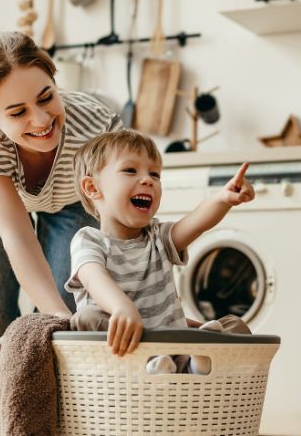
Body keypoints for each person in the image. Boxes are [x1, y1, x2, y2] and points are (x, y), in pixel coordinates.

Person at [0, 32, 122, 436]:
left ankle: (64, 424)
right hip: (2, 189)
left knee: (73, 302)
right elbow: (16, 236)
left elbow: (117, 219)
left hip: (74, 198)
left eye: (47, 97)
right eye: (18, 111)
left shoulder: (98, 125)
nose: (41, 120)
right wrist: (55, 317)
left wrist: (73, 315)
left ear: (54, 79)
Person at [65, 129, 255, 373]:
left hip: (174, 345)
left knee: (234, 326)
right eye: (130, 170)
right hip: (124, 353)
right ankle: (161, 365)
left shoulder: (158, 237)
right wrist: (122, 308)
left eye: (154, 174)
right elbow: (94, 279)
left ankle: (196, 364)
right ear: (93, 188)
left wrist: (223, 199)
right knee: (85, 319)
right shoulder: (88, 240)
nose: (148, 180)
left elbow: (196, 222)